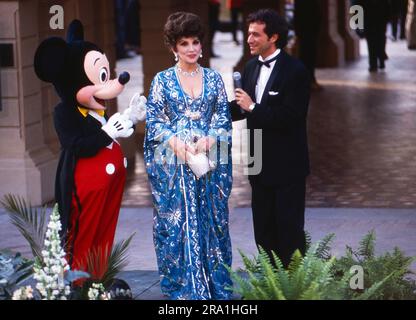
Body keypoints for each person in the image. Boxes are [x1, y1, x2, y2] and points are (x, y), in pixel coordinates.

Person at [144, 12, 233, 300]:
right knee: (176, 224)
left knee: (213, 222)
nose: (192, 48)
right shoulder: (162, 80)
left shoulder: (214, 78)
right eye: (184, 43)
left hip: (209, 166)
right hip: (174, 168)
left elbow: (223, 117)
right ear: (173, 47)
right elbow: (155, 121)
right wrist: (175, 143)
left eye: (195, 42)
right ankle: (183, 288)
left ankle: (215, 286)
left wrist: (210, 139)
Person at [230, 9, 311, 268]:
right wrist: (210, 112)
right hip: (258, 163)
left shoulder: (296, 71)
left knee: (289, 231)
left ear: (273, 37)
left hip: (288, 166)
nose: (249, 39)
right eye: (248, 33)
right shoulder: (251, 66)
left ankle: (293, 288)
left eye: (256, 34)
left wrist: (253, 107)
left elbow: (291, 116)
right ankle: (269, 285)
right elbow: (243, 107)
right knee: (263, 231)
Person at [294, 0, 322, 90]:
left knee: (306, 53)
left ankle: (307, 80)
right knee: (308, 53)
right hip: (307, 24)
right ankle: (308, 81)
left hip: (306, 25)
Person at [356, 0, 390, 72]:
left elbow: (357, 5)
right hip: (378, 17)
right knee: (378, 39)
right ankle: (379, 58)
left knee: (372, 41)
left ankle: (374, 63)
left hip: (371, 17)